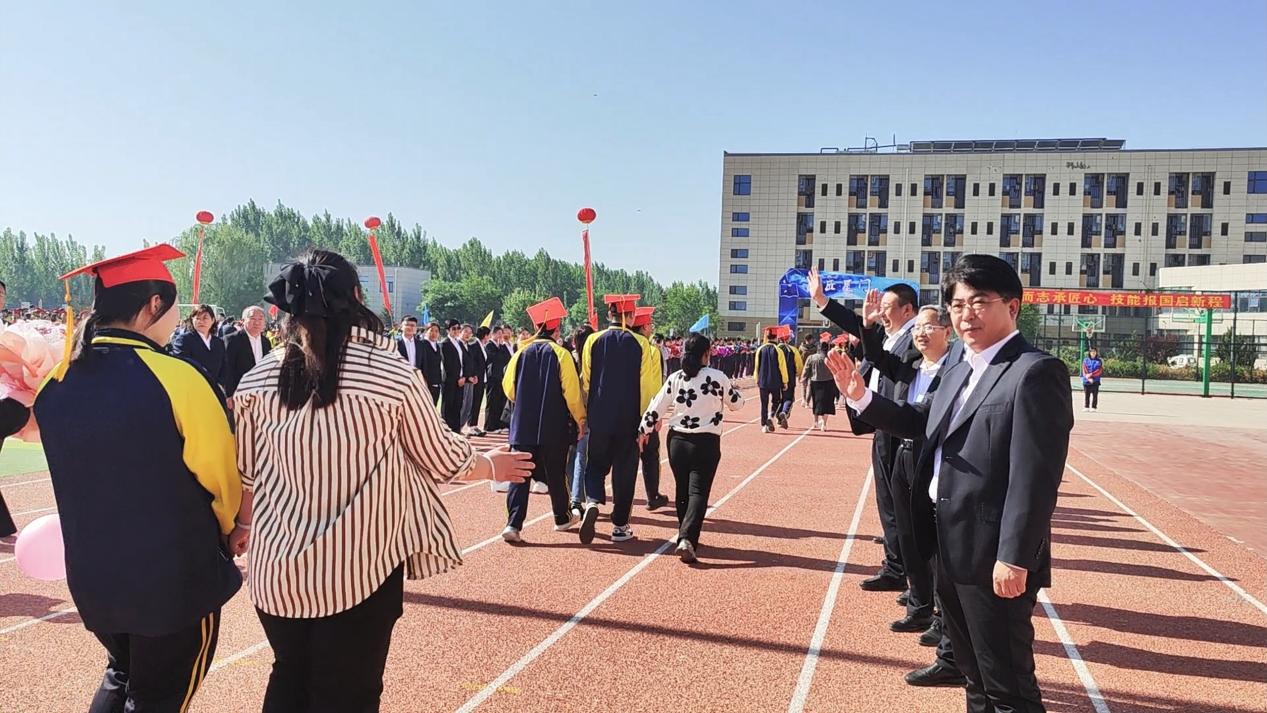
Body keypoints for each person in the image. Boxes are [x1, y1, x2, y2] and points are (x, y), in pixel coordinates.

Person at [230, 250, 532, 712]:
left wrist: (243, 526)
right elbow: (442, 458)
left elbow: (247, 474)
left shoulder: (257, 379)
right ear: (356, 297)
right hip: (360, 568)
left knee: (289, 675)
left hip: (277, 570)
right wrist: (492, 465)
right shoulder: (391, 375)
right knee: (350, 692)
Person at [829, 254, 1073, 713]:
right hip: (946, 543)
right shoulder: (959, 366)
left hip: (993, 554)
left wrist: (1014, 556)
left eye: (979, 302)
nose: (966, 315)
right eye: (958, 305)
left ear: (1013, 307)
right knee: (972, 676)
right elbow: (921, 420)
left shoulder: (1034, 372)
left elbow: (1035, 478)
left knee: (1008, 686)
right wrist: (861, 397)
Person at [33, 245, 240, 713]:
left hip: (94, 573)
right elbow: (220, 478)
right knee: (159, 695)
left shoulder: (58, 381)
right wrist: (233, 528)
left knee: (122, 672)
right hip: (172, 577)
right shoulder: (178, 377)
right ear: (154, 305)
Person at [858, 301, 967, 687]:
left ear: (947, 332)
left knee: (934, 544)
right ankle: (920, 605)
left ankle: (940, 618)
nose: (920, 333)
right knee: (910, 535)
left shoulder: (956, 371)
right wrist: (867, 326)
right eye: (917, 327)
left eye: (929, 327)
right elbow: (875, 355)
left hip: (931, 460)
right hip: (902, 455)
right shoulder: (910, 367)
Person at [809, 267, 918, 594]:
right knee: (888, 501)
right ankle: (896, 567)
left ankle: (911, 575)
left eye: (886, 308)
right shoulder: (891, 334)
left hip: (902, 425)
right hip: (883, 423)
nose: (880, 314)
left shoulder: (915, 338)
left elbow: (880, 356)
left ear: (907, 310)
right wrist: (822, 301)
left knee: (902, 504)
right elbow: (859, 326)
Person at [638, 334, 744, 562]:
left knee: (682, 489)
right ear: (706, 354)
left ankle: (684, 533)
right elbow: (736, 404)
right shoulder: (718, 377)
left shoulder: (675, 378)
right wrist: (738, 396)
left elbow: (657, 405)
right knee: (698, 492)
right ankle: (687, 538)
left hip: (678, 442)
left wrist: (643, 430)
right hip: (706, 442)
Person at [500, 298, 586, 543]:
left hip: (523, 425)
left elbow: (509, 388)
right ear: (556, 329)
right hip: (553, 425)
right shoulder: (561, 354)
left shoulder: (520, 353)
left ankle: (513, 524)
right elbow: (572, 393)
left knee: (519, 475)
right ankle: (561, 517)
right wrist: (580, 419)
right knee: (556, 473)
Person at [578, 294, 661, 544]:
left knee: (595, 464)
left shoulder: (593, 340)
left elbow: (586, 380)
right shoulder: (642, 344)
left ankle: (593, 500)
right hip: (629, 417)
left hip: (599, 415)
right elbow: (647, 386)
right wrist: (647, 423)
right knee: (625, 471)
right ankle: (620, 526)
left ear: (609, 314)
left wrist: (588, 410)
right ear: (632, 316)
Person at [632, 306, 669, 510]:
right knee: (650, 455)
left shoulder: (621, 345)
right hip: (645, 411)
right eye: (650, 324)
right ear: (645, 326)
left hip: (621, 411)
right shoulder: (652, 351)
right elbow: (655, 385)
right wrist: (657, 414)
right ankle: (652, 495)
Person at [566, 324, 596, 514]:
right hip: (589, 411)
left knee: (573, 455)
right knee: (583, 456)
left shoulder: (570, 357)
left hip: (571, 411)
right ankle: (579, 498)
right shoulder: (594, 358)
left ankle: (573, 496)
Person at [223, 305, 273, 402]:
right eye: (252, 318)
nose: (257, 322)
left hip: (262, 393)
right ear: (243, 321)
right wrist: (229, 394)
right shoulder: (232, 340)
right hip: (240, 392)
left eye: (260, 319)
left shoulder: (266, 342)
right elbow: (228, 369)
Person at [169, 304, 227, 386]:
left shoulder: (219, 342)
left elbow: (224, 368)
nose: (201, 321)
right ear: (192, 320)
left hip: (214, 388)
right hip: (192, 386)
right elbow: (182, 366)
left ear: (213, 320)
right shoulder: (184, 340)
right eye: (197, 318)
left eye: (205, 318)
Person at [754, 327, 788, 433]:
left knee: (764, 404)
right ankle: (771, 416)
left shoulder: (760, 349)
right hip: (775, 381)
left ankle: (764, 425)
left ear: (767, 337)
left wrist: (756, 379)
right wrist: (785, 381)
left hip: (763, 381)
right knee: (776, 401)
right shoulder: (778, 350)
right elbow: (782, 367)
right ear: (776, 337)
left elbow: (756, 366)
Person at [801, 339, 838, 431]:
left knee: (816, 402)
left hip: (815, 382)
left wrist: (803, 379)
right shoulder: (831, 358)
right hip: (829, 382)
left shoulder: (811, 358)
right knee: (827, 404)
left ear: (818, 348)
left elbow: (806, 369)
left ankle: (816, 422)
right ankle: (824, 424)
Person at [483, 325, 513, 434]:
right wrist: (500, 348)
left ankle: (498, 424)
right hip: (492, 377)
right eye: (499, 333)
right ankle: (489, 426)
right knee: (492, 402)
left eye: (501, 333)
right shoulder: (489, 345)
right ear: (493, 334)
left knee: (499, 402)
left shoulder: (500, 346)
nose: (501, 335)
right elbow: (494, 358)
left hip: (501, 377)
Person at [440, 319, 466, 432]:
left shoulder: (459, 343)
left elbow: (464, 361)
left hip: (461, 380)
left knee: (457, 406)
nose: (456, 331)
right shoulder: (444, 344)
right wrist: (457, 379)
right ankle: (446, 431)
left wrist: (464, 376)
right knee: (448, 407)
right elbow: (448, 365)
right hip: (450, 381)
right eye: (453, 328)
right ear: (448, 330)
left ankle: (456, 431)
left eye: (458, 328)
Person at [461, 324, 487, 437]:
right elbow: (472, 362)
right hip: (472, 378)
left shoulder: (480, 345)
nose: (468, 334)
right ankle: (469, 425)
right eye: (466, 331)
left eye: (470, 332)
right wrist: (472, 375)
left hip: (479, 378)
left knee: (477, 401)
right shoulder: (474, 345)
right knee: (470, 402)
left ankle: (474, 425)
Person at [776, 331, 805, 429]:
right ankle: (784, 412)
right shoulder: (793, 350)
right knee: (788, 398)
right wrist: (799, 374)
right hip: (790, 378)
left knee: (778, 399)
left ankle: (778, 418)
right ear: (788, 339)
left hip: (776, 379)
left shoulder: (775, 349)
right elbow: (799, 365)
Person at [421, 322, 445, 405]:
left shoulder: (437, 346)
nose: (434, 333)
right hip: (426, 384)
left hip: (436, 382)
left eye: (436, 331)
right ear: (426, 331)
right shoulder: (422, 344)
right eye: (431, 330)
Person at [1081, 347, 1102, 411]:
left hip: (1095, 381)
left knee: (1095, 395)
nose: (1093, 353)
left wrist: (1091, 374)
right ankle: (1086, 407)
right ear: (1089, 353)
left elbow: (1099, 371)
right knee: (1087, 395)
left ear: (1096, 353)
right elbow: (1084, 369)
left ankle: (1094, 407)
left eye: (1094, 352)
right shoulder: (1085, 360)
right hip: (1087, 380)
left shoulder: (1099, 361)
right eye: (1092, 352)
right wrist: (1088, 378)